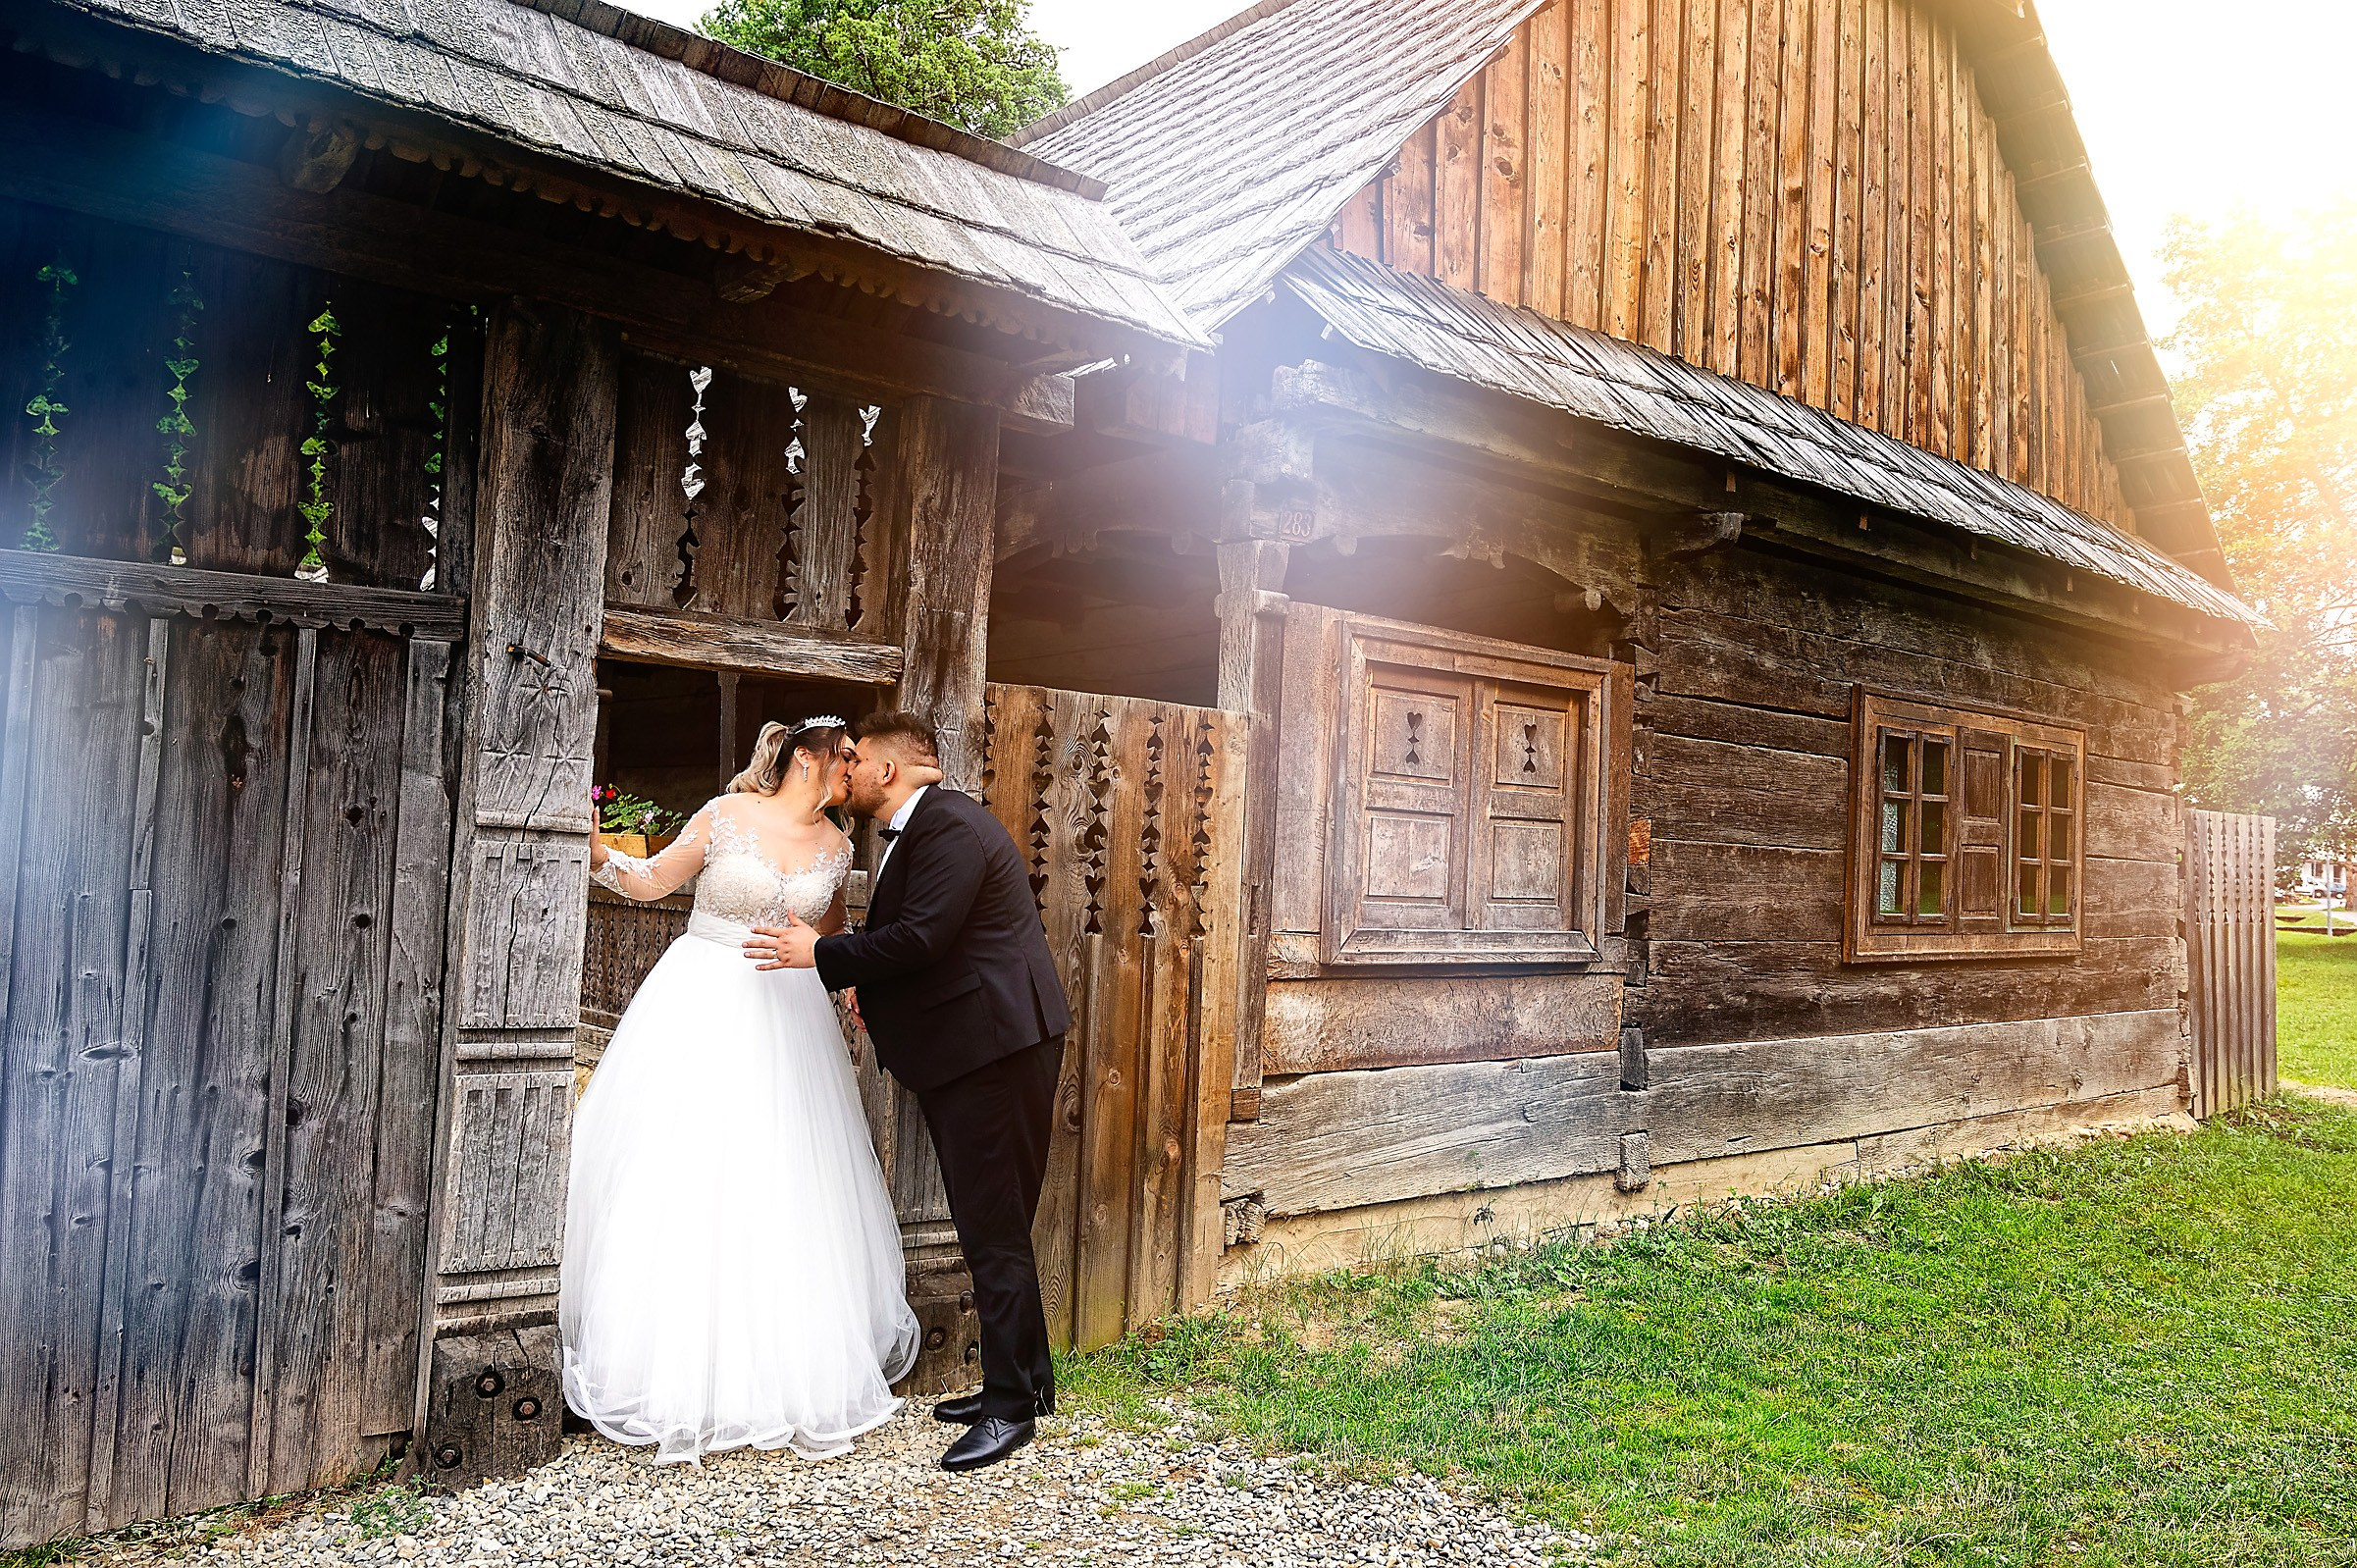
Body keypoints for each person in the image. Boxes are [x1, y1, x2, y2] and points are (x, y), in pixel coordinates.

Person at [559, 716, 930, 1465]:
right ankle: (668, 1369)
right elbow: (654, 880)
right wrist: (600, 855)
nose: (855, 770)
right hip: (702, 1000)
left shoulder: (838, 846)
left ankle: (782, 1369)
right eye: (846, 757)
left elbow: (831, 938)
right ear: (807, 759)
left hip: (790, 1018)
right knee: (690, 1168)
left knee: (783, 1176)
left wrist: (854, 988)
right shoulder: (726, 815)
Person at [745, 709, 1073, 1473]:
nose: (846, 770)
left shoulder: (950, 826)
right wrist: (871, 989)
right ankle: (1029, 1382)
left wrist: (823, 953)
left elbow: (923, 937)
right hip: (979, 1046)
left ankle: (1009, 1409)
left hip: (994, 1051)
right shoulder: (922, 828)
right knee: (995, 1221)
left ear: (886, 770)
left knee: (992, 1227)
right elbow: (936, 946)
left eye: (854, 758)